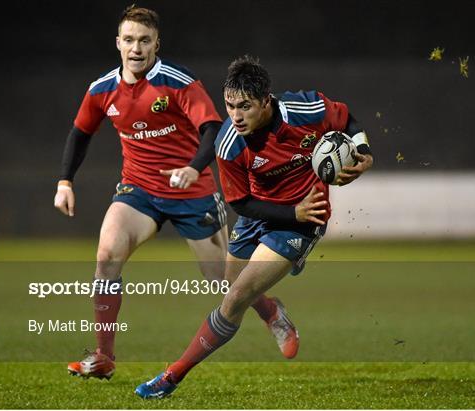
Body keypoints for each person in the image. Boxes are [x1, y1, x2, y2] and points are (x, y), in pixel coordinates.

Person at [54, 8, 292, 380]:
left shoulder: (177, 82)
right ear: (118, 43)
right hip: (139, 191)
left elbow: (212, 128)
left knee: (223, 279)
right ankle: (104, 356)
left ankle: (271, 312)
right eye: (129, 40)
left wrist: (194, 168)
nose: (136, 48)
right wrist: (65, 181)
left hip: (192, 192)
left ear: (156, 44)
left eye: (144, 40)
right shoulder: (102, 89)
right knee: (106, 256)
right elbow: (81, 132)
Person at [135, 55, 374, 398]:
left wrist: (363, 150)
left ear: (266, 101)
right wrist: (292, 212)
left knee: (235, 298)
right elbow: (240, 203)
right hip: (263, 213)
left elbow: (346, 118)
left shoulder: (304, 110)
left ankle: (170, 377)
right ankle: (273, 312)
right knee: (229, 281)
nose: (235, 115)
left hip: (306, 217)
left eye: (245, 106)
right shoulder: (229, 143)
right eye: (230, 105)